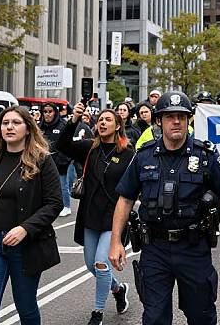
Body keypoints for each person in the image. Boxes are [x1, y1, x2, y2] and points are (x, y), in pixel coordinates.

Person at [109, 90, 220, 325]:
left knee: (201, 315)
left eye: (181, 117)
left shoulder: (205, 156)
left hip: (193, 247)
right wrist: (116, 242)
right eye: (170, 117)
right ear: (159, 121)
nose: (176, 122)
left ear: (188, 120)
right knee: (154, 317)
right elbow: (125, 199)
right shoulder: (144, 156)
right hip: (155, 248)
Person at [0, 106, 63, 324]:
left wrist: (25, 228)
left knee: (26, 307)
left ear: (28, 129)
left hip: (26, 247)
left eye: (16, 123)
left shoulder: (42, 160)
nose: (9, 127)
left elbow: (54, 203)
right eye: (5, 123)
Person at [55, 103, 134, 325]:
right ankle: (118, 289)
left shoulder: (128, 154)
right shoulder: (89, 148)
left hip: (113, 217)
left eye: (108, 120)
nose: (103, 123)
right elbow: (61, 144)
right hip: (90, 216)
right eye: (100, 120)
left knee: (101, 263)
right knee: (92, 265)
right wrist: (73, 120)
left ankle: (97, 313)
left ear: (118, 126)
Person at [39, 102, 73, 217]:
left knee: (62, 185)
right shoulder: (40, 126)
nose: (47, 114)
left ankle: (66, 206)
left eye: (50, 112)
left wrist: (61, 161)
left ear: (55, 113)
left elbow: (67, 144)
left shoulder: (62, 125)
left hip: (60, 162)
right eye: (45, 112)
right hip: (43, 161)